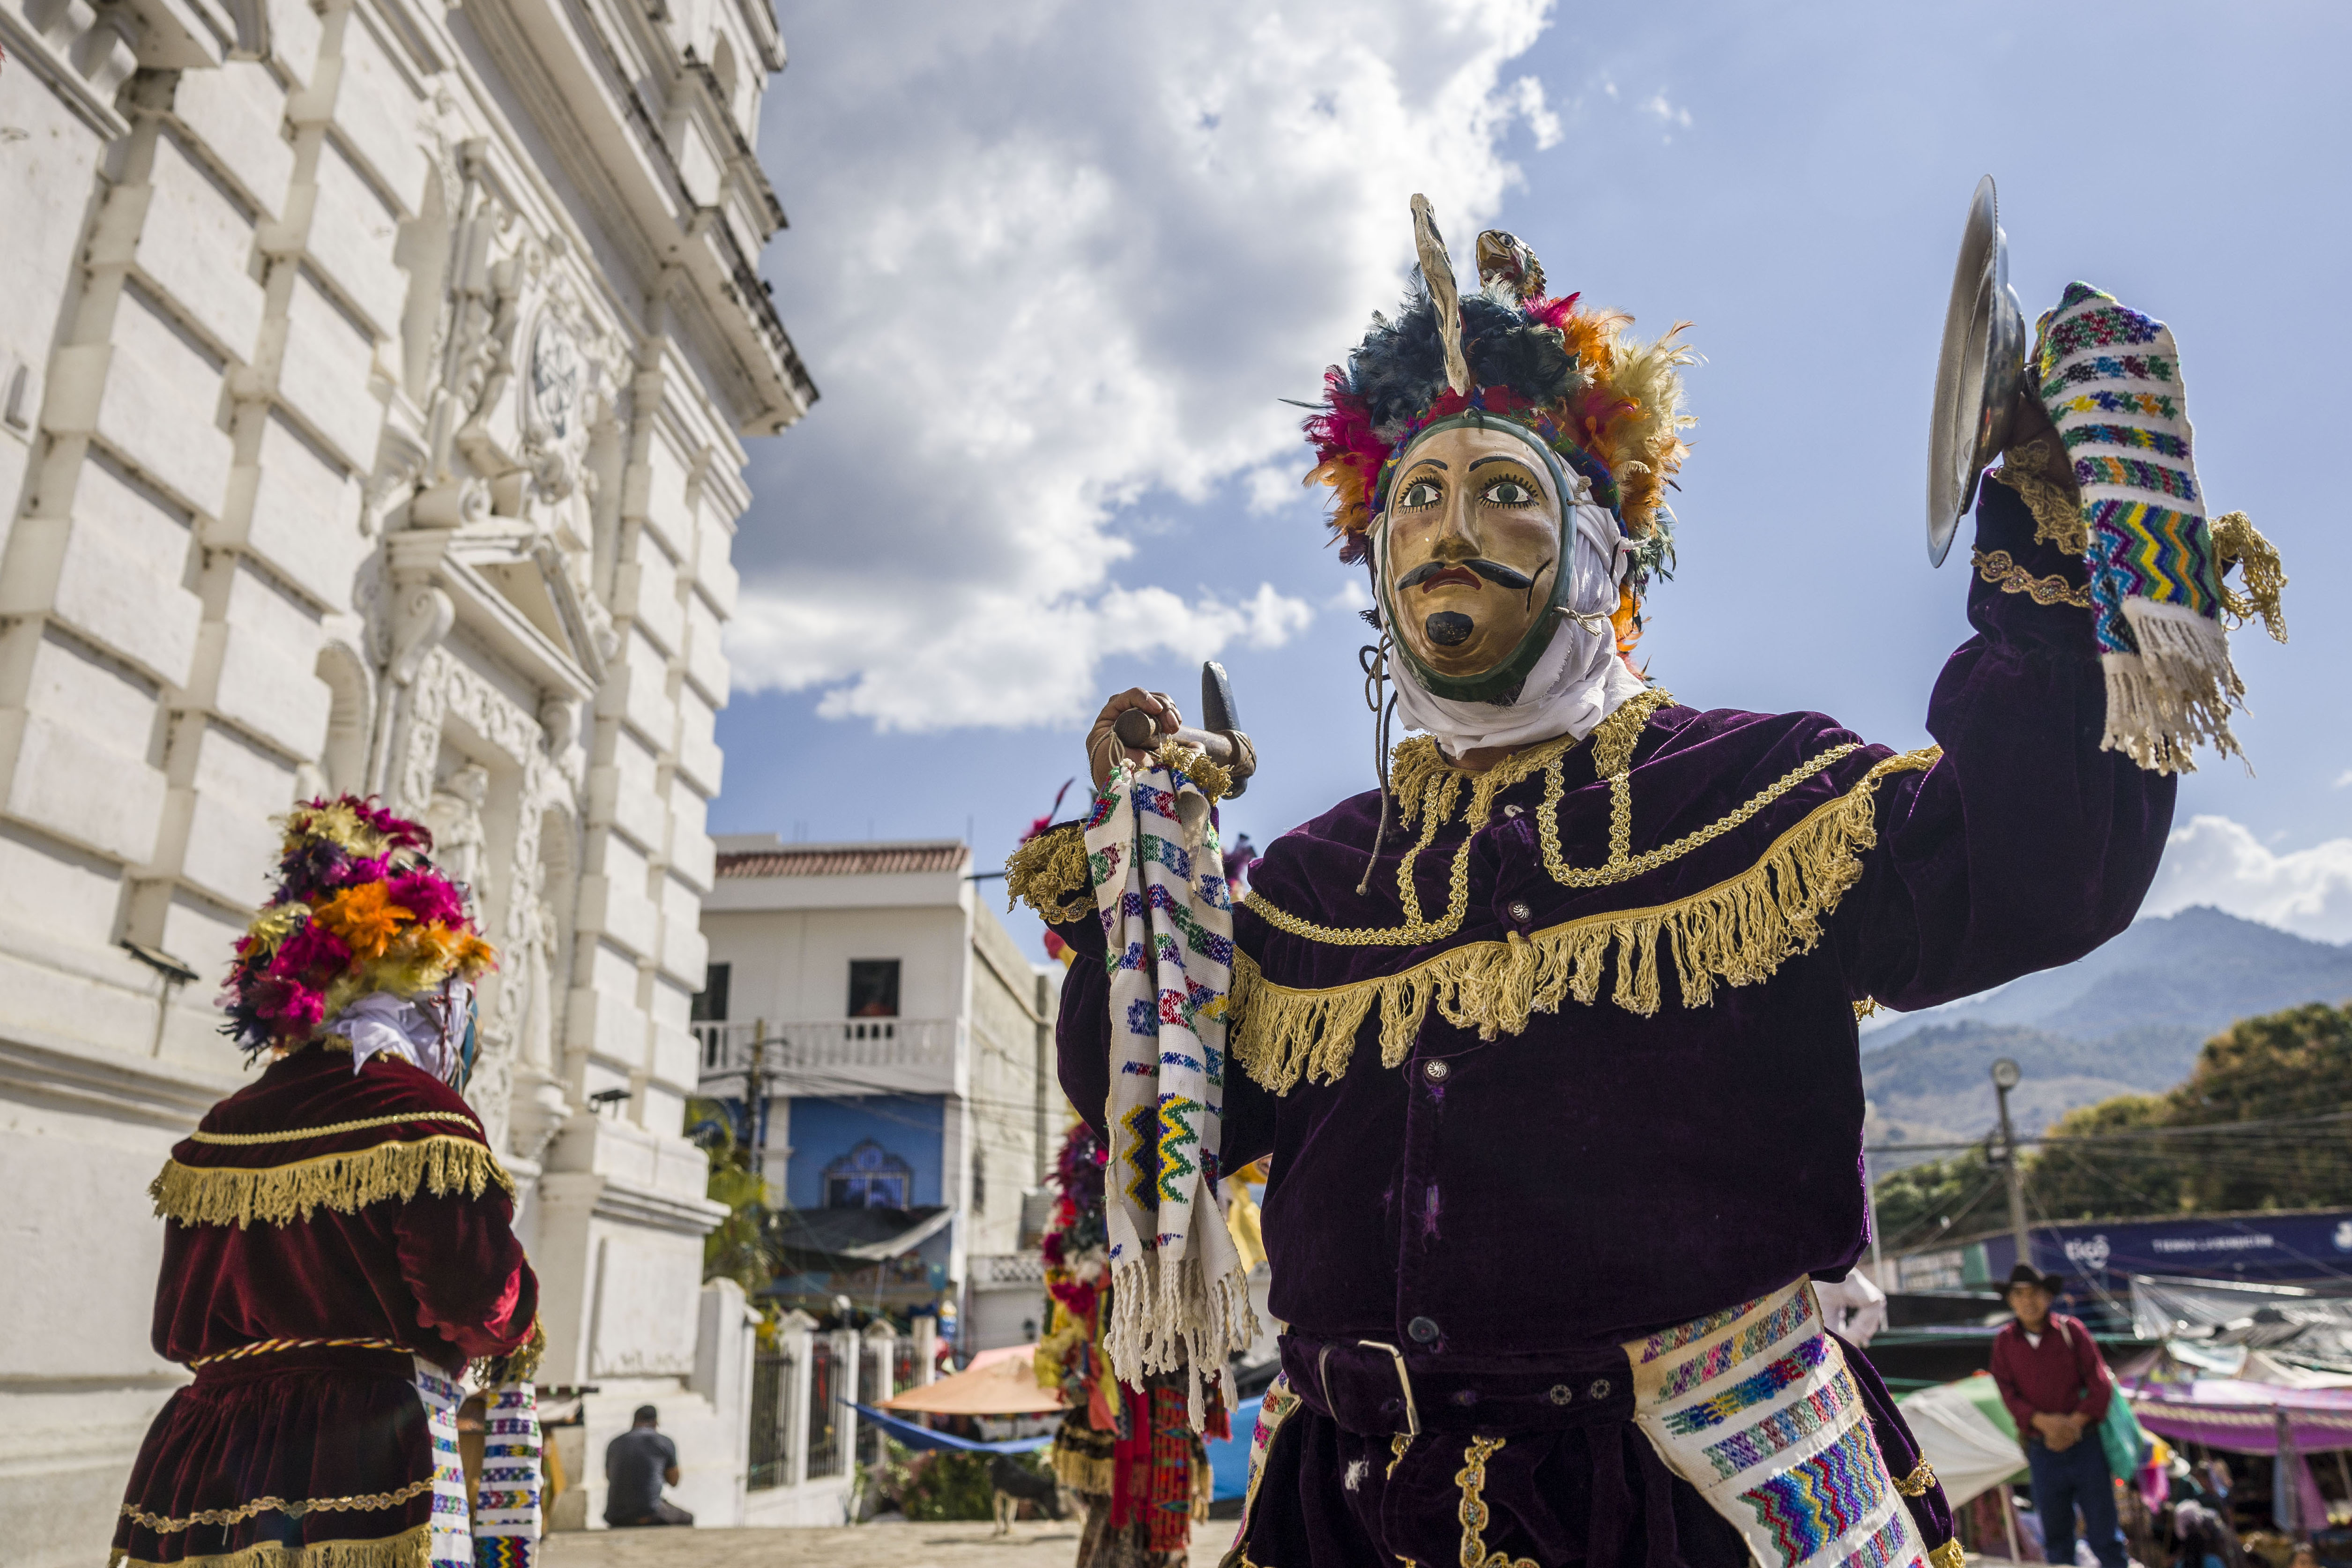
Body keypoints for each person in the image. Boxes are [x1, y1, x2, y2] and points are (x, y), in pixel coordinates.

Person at [1009, 201, 2278, 1568]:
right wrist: (1136, 874)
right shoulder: (1316, 877)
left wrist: (2041, 520)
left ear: (1602, 554)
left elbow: (2046, 867)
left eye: (1501, 489)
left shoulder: (1760, 786)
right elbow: (1159, 1111)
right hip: (1351, 1507)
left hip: (1704, 1507)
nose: (1445, 528)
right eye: (1414, 500)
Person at [113, 796, 536, 1568]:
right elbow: (472, 1296)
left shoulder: (223, 1124)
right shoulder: (422, 1115)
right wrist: (519, 1324)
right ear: (430, 1001)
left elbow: (177, 1320)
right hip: (365, 1445)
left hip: (207, 1452)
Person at [1990, 1264, 2127, 1568]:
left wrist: (2073, 1424)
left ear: (2048, 1296)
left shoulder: (2072, 1331)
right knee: (2057, 1540)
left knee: (2106, 1536)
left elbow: (2100, 1383)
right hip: (2043, 1449)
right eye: (2020, 1295)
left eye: (2034, 1294)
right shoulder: (2005, 1342)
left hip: (2086, 1444)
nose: (2028, 1301)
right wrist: (2044, 1423)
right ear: (2011, 1300)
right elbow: (2007, 1392)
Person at [605, 1405, 692, 1527]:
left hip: (615, 1516)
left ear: (634, 1422)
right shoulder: (664, 1442)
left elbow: (610, 1477)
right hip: (648, 1514)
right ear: (656, 1422)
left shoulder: (615, 1443)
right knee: (688, 1518)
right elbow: (674, 1481)